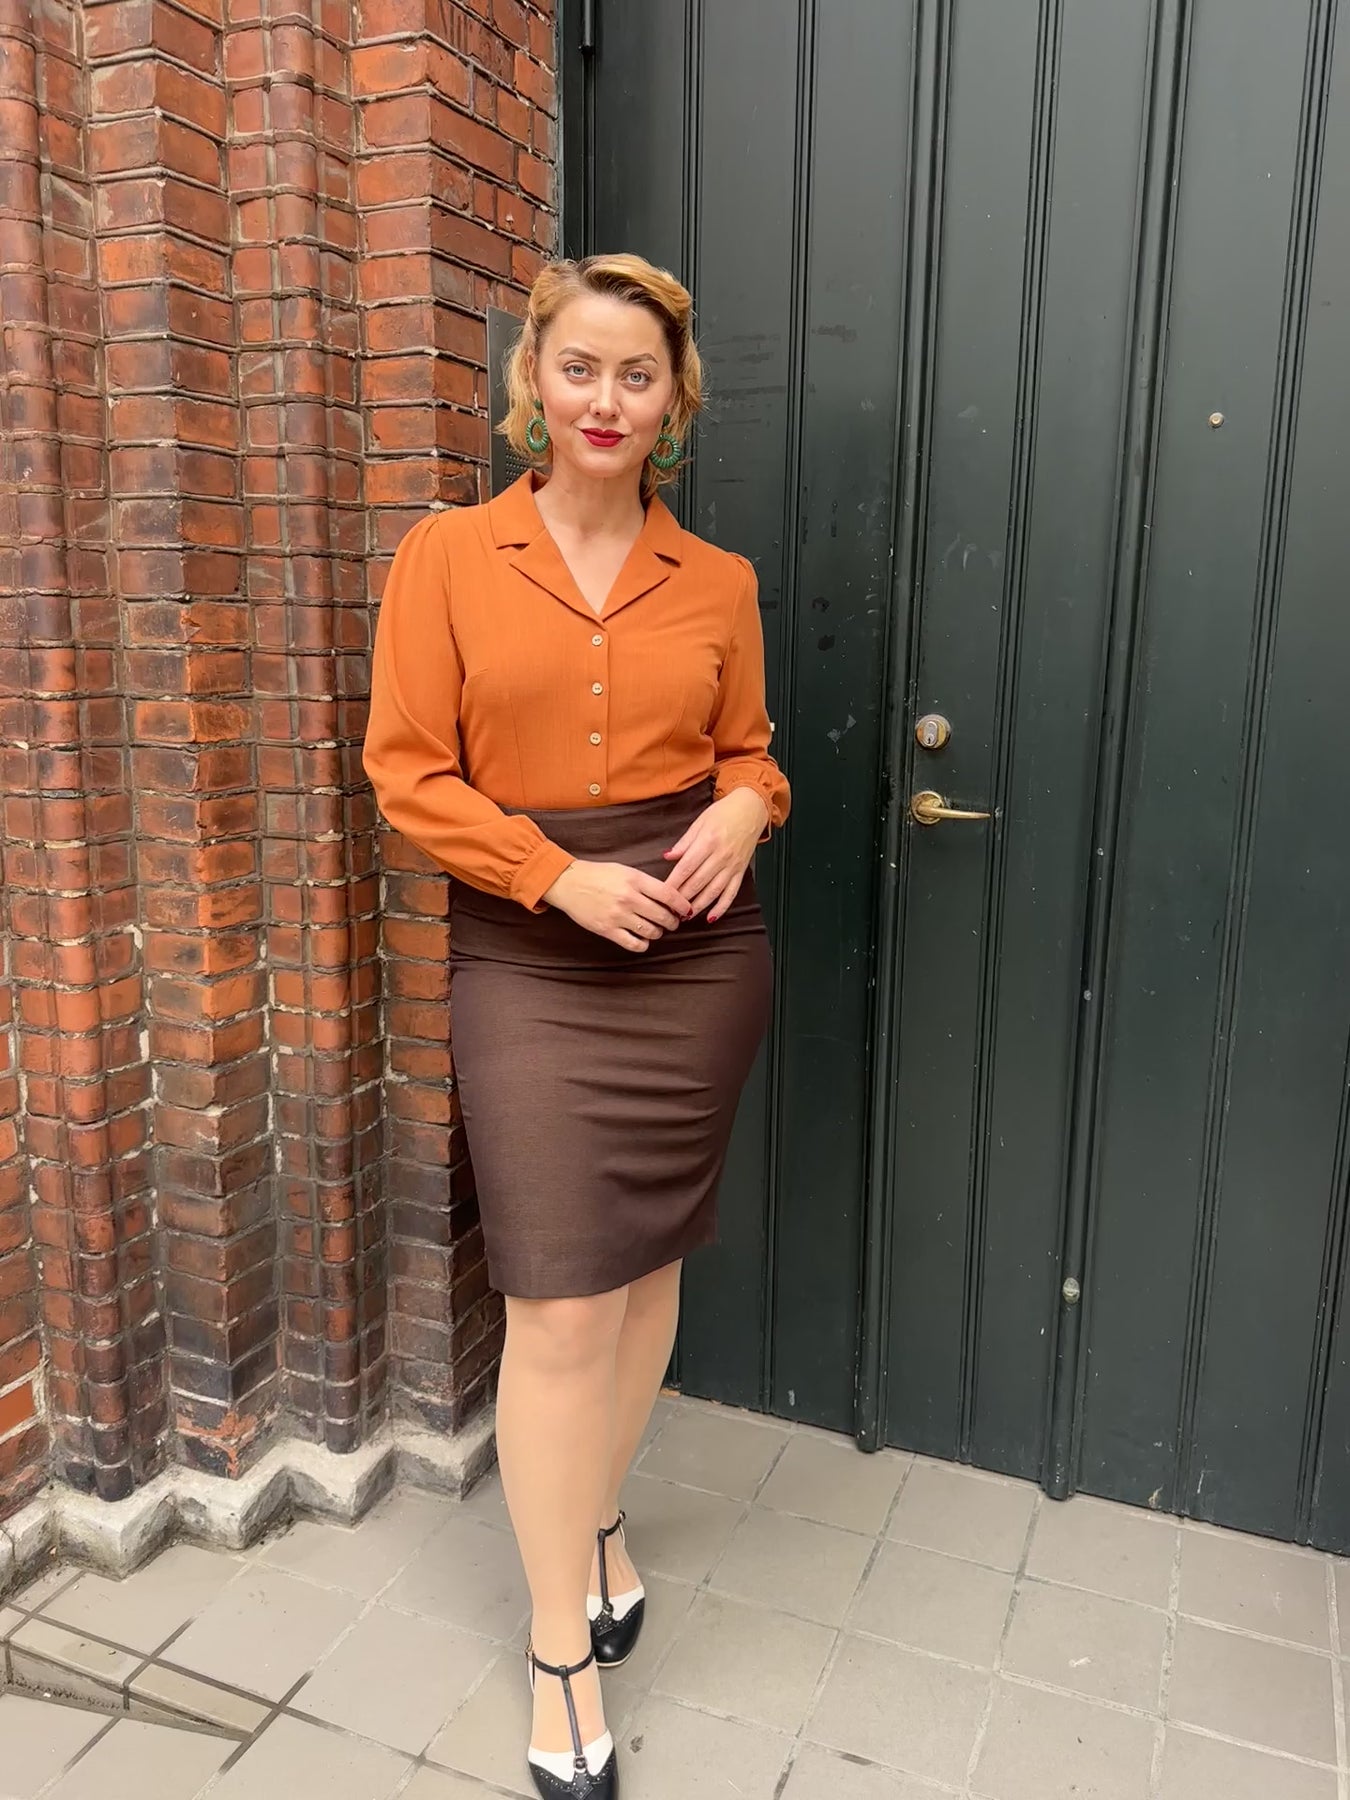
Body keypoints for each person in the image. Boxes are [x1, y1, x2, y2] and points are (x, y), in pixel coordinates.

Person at [363, 252, 790, 1798]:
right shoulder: (447, 555)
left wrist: (745, 806)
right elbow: (407, 771)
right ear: (532, 383)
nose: (606, 398)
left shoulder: (718, 580)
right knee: (554, 1304)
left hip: (695, 955)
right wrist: (552, 876)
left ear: (675, 402)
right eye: (580, 367)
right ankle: (559, 1645)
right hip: (529, 960)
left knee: (644, 1266)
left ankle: (598, 1515)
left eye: (637, 374)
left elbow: (748, 753)